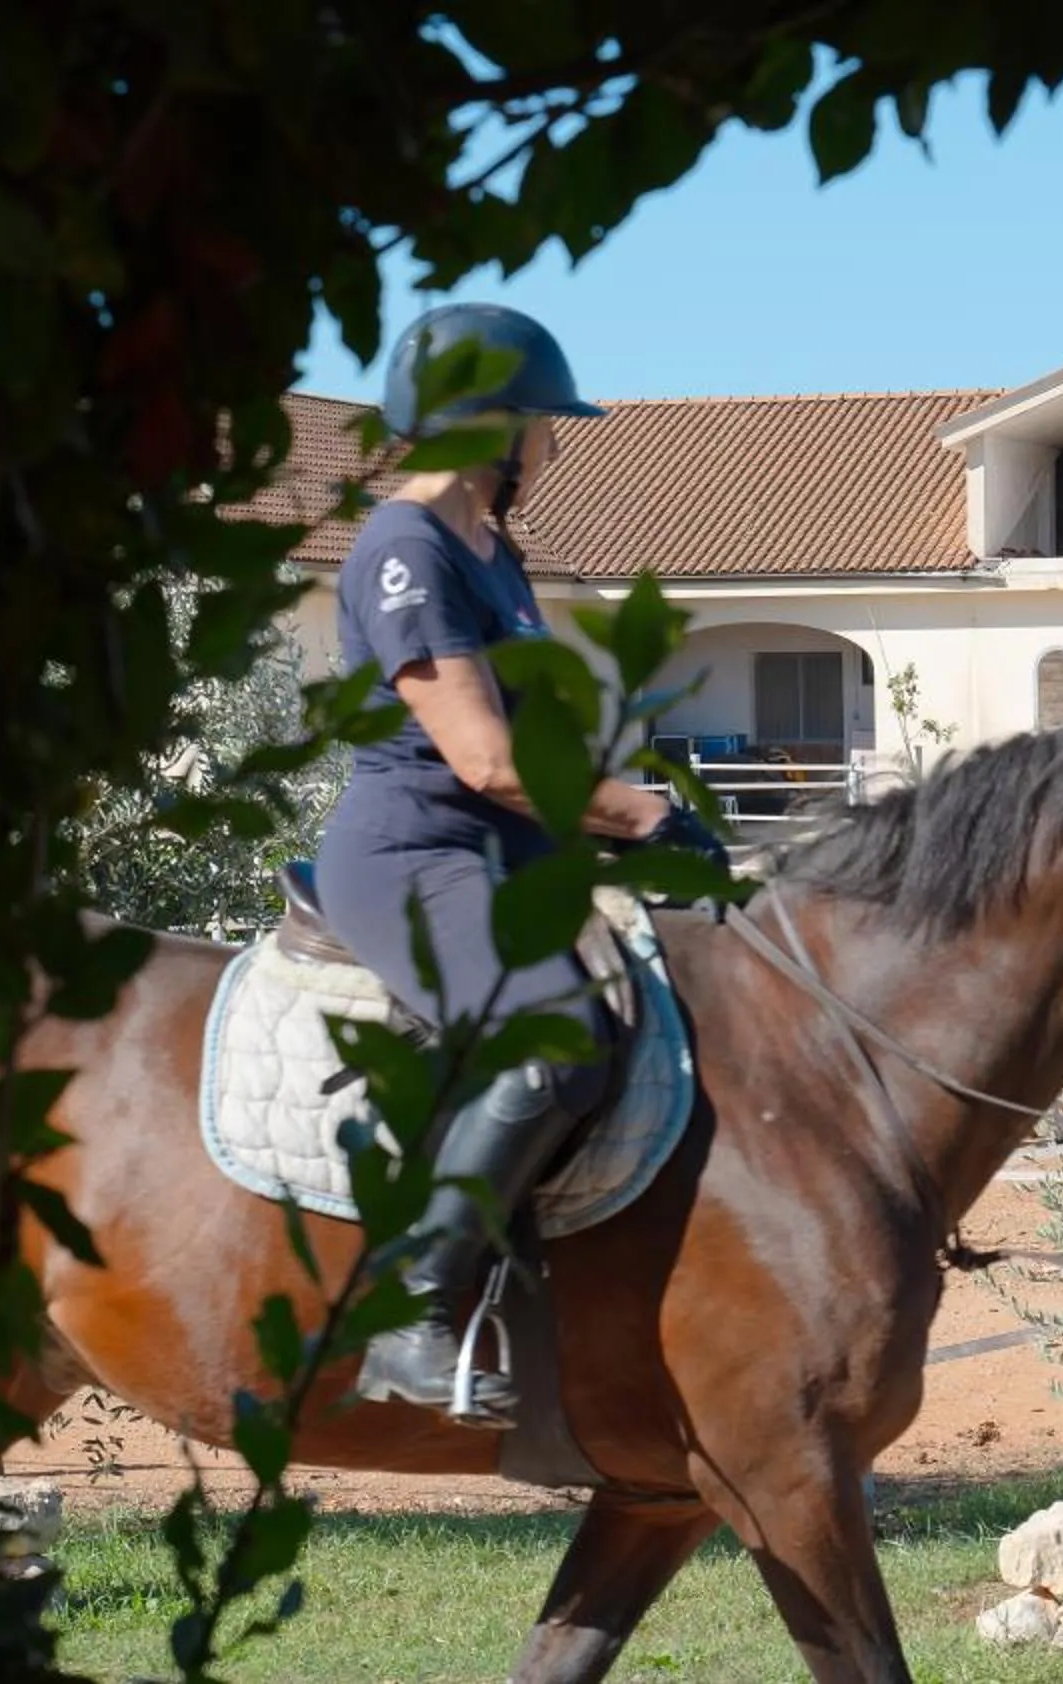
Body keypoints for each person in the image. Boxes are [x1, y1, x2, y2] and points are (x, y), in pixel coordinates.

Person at [313, 301, 730, 1424]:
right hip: (416, 851)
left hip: (507, 851)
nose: (550, 444)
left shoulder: (493, 551)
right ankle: (409, 1322)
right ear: (489, 426)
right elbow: (485, 758)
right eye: (542, 424)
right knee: (552, 1039)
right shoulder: (406, 550)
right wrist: (634, 814)